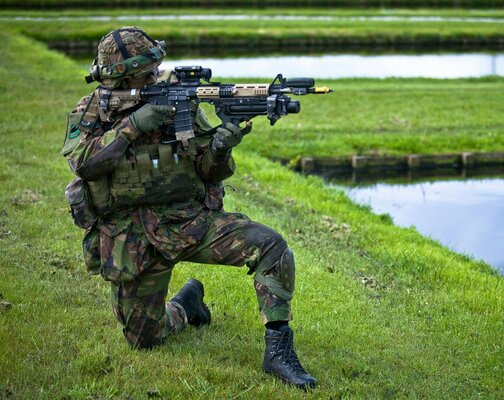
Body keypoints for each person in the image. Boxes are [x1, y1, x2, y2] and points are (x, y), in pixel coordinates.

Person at [62, 26, 316, 390]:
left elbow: (207, 170)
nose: (156, 76)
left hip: (188, 222)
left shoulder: (177, 102)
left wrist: (221, 147)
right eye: (145, 74)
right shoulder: (91, 110)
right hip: (129, 238)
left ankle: (279, 351)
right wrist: (133, 125)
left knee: (271, 245)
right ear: (121, 78)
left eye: (155, 69)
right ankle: (186, 304)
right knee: (143, 340)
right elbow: (84, 163)